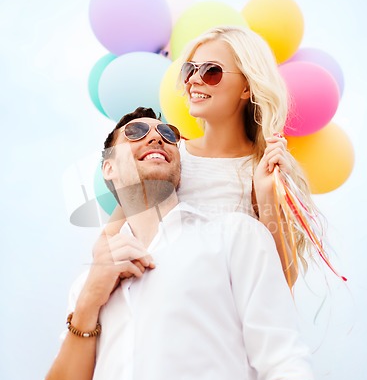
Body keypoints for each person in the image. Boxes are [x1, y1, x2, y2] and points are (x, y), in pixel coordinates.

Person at [42, 107, 321, 380]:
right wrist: (87, 302)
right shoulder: (87, 284)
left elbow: (287, 367)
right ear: (108, 167)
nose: (157, 136)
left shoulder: (236, 236)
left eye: (170, 134)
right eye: (136, 131)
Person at [103, 25, 316, 287]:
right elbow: (106, 244)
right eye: (189, 69)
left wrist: (266, 193)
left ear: (246, 87)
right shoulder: (168, 156)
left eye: (211, 71)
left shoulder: (263, 170)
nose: (193, 80)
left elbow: (282, 282)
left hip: (217, 318)